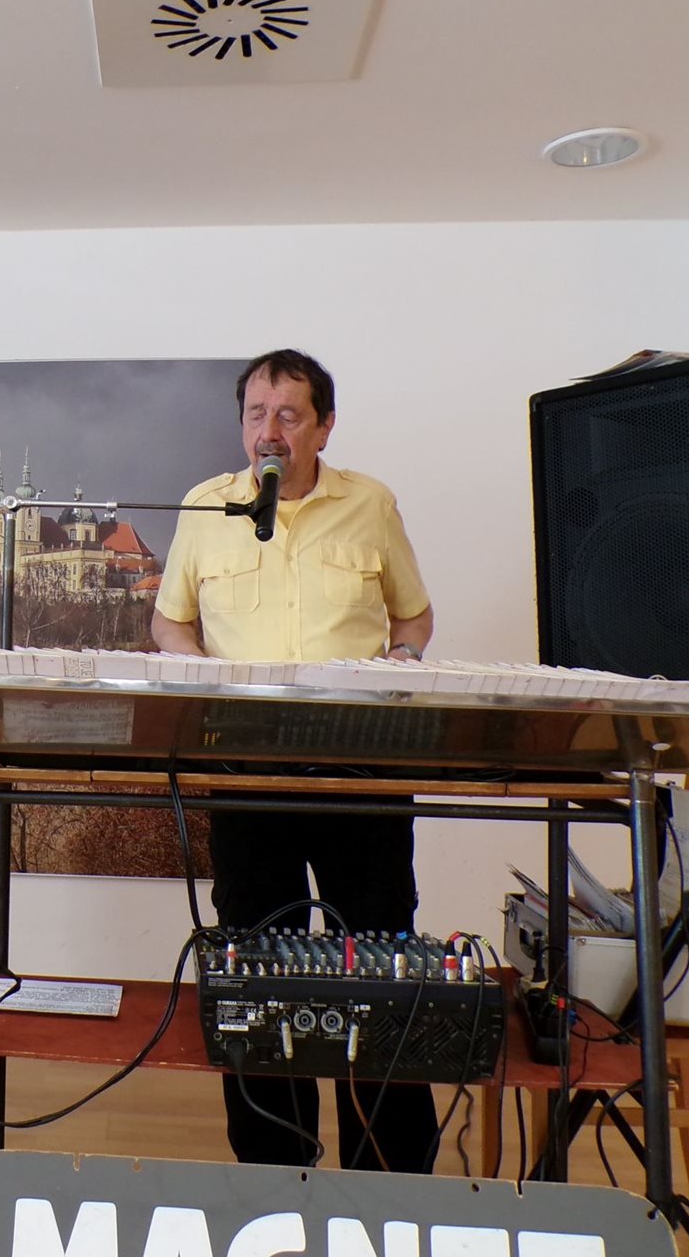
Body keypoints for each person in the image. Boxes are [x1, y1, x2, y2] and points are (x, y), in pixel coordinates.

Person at [150, 348, 439, 1175]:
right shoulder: (207, 506)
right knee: (257, 974)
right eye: (255, 414)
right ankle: (276, 1174)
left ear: (324, 426)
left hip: (362, 771)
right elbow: (170, 622)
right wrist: (196, 671)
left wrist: (403, 664)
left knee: (378, 968)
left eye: (288, 415)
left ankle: (390, 1177)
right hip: (246, 774)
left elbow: (414, 619)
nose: (268, 431)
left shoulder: (371, 504)